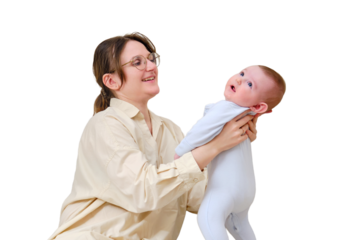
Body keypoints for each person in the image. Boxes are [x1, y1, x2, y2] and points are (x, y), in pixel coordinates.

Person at [46, 30, 260, 240]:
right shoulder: (105, 125)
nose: (151, 66)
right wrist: (214, 147)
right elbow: (143, 192)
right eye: (137, 62)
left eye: (151, 59)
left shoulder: (170, 129)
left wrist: (235, 143)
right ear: (112, 81)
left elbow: (199, 198)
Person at [174, 63, 287, 240]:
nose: (239, 80)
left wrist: (181, 152)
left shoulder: (227, 107)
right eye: (242, 73)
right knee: (239, 225)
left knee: (208, 217)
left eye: (250, 84)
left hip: (225, 188)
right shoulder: (247, 113)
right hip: (247, 191)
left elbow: (201, 130)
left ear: (259, 107)